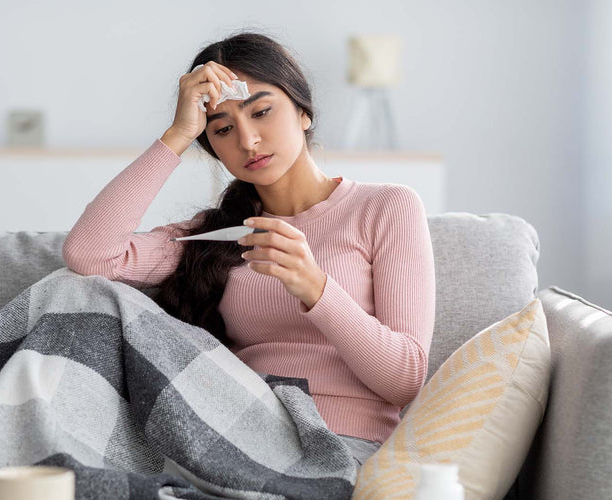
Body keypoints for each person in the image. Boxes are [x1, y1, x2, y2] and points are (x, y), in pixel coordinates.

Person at [62, 32, 435, 467]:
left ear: (303, 113)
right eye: (222, 129)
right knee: (68, 294)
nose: (248, 140)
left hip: (341, 444)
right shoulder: (215, 237)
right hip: (235, 435)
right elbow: (90, 255)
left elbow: (405, 379)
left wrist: (315, 287)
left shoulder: (386, 207)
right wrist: (178, 134)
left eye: (261, 111)